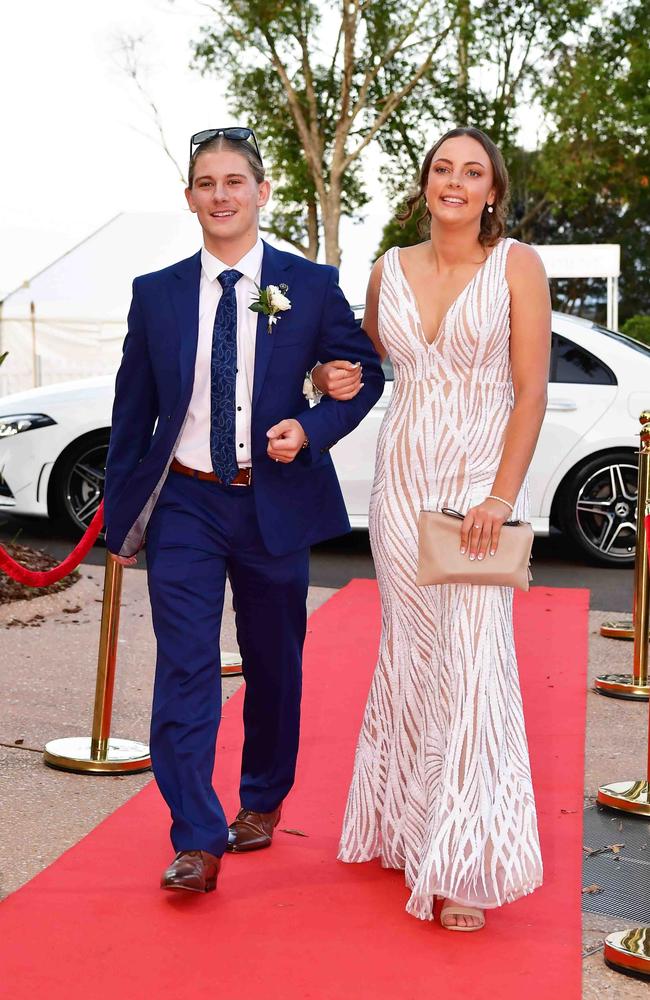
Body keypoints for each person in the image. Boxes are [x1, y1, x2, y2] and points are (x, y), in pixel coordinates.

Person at [103, 126, 384, 894]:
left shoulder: (309, 284)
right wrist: (119, 518)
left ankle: (262, 798)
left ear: (262, 194)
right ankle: (196, 837)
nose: (220, 195)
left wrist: (313, 425)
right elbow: (133, 414)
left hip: (274, 502)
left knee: (273, 663)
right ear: (190, 197)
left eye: (235, 181)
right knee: (186, 668)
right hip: (186, 503)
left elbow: (362, 370)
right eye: (206, 182)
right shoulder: (155, 294)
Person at [313, 126, 550, 930]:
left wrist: (500, 494)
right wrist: (332, 373)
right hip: (401, 486)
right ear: (424, 185)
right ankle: (412, 832)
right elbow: (370, 367)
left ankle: (464, 862)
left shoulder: (518, 265)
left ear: (493, 191)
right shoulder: (389, 270)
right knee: (413, 659)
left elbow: (530, 392)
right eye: (443, 168)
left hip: (479, 493)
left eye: (472, 171)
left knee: (475, 665)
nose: (455, 181)